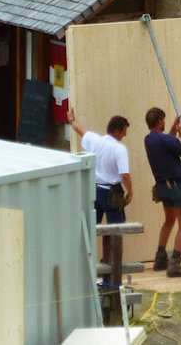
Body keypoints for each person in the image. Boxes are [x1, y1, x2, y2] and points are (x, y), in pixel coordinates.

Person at [66, 107, 133, 264]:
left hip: (95, 191)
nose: (125, 135)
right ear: (117, 131)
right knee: (115, 231)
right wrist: (130, 192)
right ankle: (112, 269)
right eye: (124, 131)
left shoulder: (96, 141)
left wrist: (71, 121)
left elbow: (81, 131)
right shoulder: (119, 149)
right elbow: (125, 175)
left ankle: (89, 265)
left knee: (92, 228)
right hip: (113, 193)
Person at [143, 107, 181, 277]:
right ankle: (175, 264)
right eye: (163, 120)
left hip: (163, 188)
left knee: (169, 220)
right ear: (159, 121)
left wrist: (173, 128)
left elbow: (167, 142)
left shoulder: (149, 139)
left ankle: (160, 259)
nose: (165, 123)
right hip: (177, 186)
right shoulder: (165, 140)